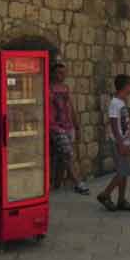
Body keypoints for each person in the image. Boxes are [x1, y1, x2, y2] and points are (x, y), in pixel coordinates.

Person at [97, 75, 130, 212]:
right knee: (122, 171)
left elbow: (123, 122)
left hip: (125, 142)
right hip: (119, 143)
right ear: (125, 86)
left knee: (125, 172)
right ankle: (105, 194)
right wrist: (121, 143)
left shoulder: (121, 102)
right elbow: (114, 126)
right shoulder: (115, 103)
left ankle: (121, 200)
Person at [50, 62, 89, 195]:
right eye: (60, 72)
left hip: (68, 126)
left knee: (62, 156)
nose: (63, 75)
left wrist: (77, 126)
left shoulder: (65, 88)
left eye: (64, 72)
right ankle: (78, 183)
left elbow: (70, 107)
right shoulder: (49, 88)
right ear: (53, 73)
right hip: (56, 127)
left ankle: (56, 185)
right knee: (68, 154)